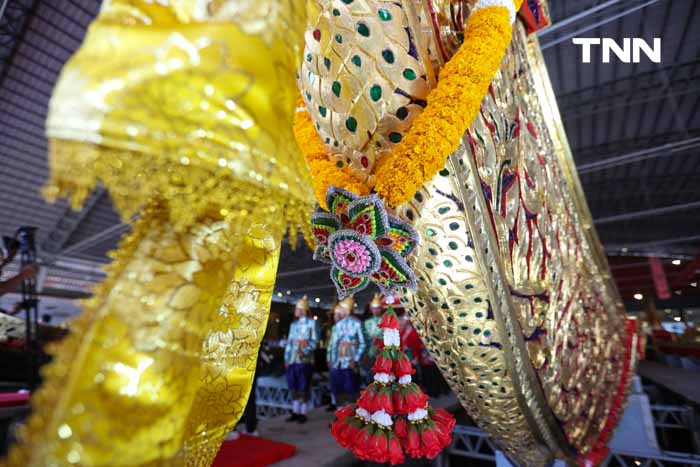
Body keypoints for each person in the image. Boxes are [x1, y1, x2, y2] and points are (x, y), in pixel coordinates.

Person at [284, 295, 319, 424]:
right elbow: (289, 342)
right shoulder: (293, 324)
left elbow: (315, 342)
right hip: (293, 359)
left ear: (303, 310)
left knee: (304, 385)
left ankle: (303, 412)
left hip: (305, 360)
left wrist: (304, 350)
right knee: (293, 385)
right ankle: (295, 411)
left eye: (297, 308)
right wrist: (287, 358)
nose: (295, 311)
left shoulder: (312, 323)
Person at [327, 296, 366, 408]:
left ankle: (350, 417)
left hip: (350, 363)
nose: (341, 311)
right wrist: (331, 359)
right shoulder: (338, 325)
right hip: (337, 363)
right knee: (337, 389)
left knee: (350, 389)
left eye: (343, 309)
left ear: (348, 310)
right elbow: (333, 345)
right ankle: (340, 416)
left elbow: (363, 344)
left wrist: (356, 359)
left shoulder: (357, 324)